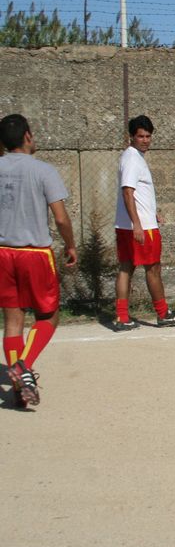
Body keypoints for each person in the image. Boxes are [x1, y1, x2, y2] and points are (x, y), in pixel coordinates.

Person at [1, 114, 77, 407]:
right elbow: (61, 218)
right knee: (48, 316)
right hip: (34, 253)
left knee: (13, 320)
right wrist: (70, 245)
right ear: (28, 136)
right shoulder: (43, 170)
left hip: (3, 251)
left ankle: (19, 388)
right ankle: (24, 365)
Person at [113, 115, 175, 331]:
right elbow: (128, 192)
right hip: (141, 228)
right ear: (131, 136)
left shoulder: (132, 157)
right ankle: (163, 313)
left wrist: (152, 212)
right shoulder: (132, 159)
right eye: (140, 136)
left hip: (130, 224)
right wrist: (137, 223)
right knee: (153, 268)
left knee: (126, 268)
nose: (145, 140)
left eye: (148, 136)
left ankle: (121, 317)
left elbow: (137, 194)